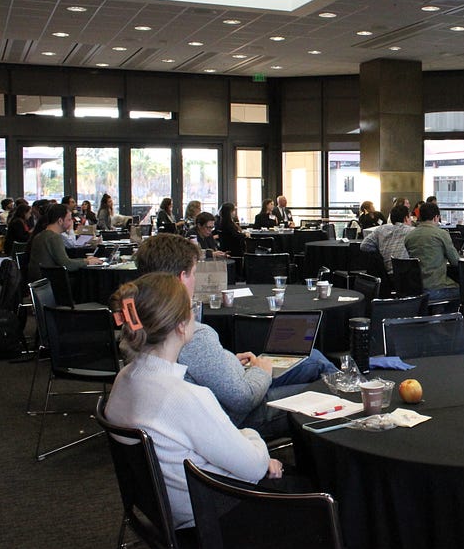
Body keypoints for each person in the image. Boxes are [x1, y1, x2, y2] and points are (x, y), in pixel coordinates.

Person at [104, 272, 280, 530]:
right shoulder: (182, 397)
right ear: (181, 325)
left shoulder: (124, 379)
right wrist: (253, 440)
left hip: (160, 510)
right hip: (209, 517)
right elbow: (254, 467)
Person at [132, 233, 337, 439]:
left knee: (314, 359)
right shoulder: (189, 333)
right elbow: (244, 398)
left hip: (224, 395)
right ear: (181, 277)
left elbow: (203, 372)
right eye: (194, 273)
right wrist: (261, 372)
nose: (196, 279)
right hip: (237, 418)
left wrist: (228, 362)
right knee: (322, 389)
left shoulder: (143, 320)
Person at [27, 203, 102, 282]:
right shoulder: (54, 237)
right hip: (51, 283)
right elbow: (66, 264)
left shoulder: (40, 235)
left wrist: (84, 260)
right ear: (60, 221)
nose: (71, 223)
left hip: (40, 283)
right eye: (69, 220)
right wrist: (87, 262)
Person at [403, 202, 459, 300]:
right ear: (436, 217)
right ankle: (445, 314)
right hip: (436, 288)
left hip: (415, 289)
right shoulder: (442, 234)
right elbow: (456, 261)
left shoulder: (409, 237)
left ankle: (437, 311)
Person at [360, 204, 413, 273]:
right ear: (406, 218)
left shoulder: (381, 229)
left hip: (387, 276)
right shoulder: (412, 231)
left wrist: (380, 249)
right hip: (407, 276)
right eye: (410, 218)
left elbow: (364, 246)